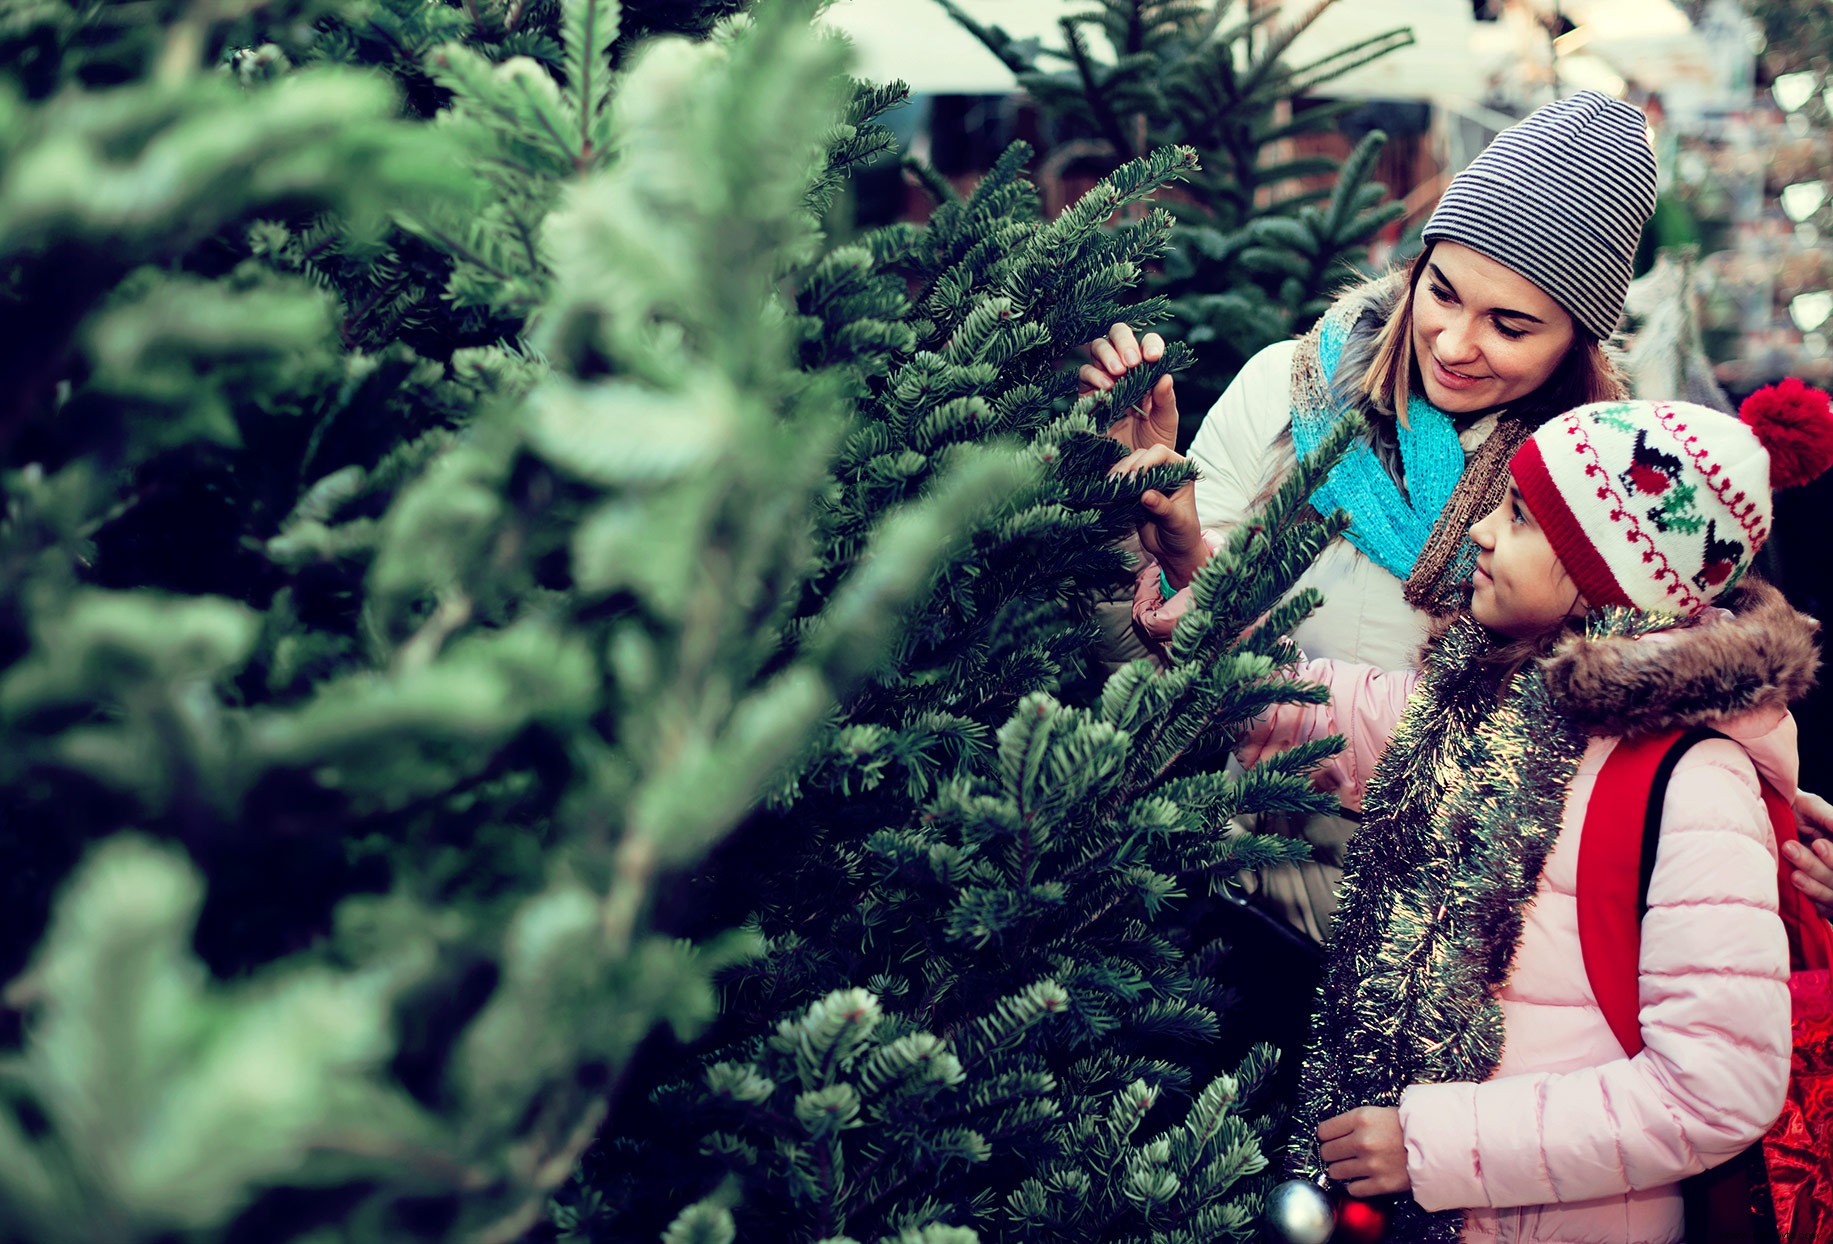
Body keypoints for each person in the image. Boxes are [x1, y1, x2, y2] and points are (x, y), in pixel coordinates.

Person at [1130, 385, 1832, 1242]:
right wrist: (1186, 557)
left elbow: (1717, 1087)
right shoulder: (1470, 701)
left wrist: (1435, 1146)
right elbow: (1289, 705)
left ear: (1611, 575)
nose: (1479, 531)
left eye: (1524, 518)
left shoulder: (1692, 781)